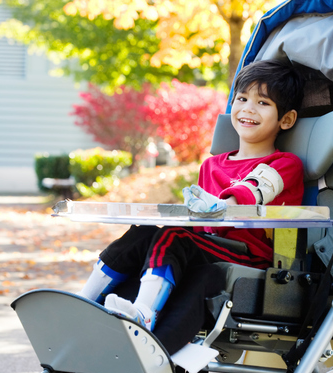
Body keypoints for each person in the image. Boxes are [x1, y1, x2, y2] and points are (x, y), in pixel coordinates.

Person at [79, 59, 305, 355]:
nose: (248, 109)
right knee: (142, 235)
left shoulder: (285, 163)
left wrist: (226, 204)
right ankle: (82, 303)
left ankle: (143, 314)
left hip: (251, 258)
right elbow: (199, 228)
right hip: (208, 246)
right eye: (242, 99)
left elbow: (259, 187)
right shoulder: (211, 165)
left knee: (174, 236)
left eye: (263, 103)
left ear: (285, 120)